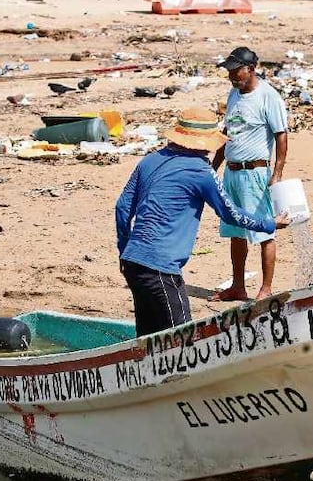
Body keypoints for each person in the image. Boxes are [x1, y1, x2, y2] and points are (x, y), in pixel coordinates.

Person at [116, 107, 291, 337]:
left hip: (132, 262)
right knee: (183, 340)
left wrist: (124, 249)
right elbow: (231, 214)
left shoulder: (149, 161)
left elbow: (122, 208)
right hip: (161, 268)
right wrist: (269, 223)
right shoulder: (200, 171)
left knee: (147, 337)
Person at [209, 46, 289, 302]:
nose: (232, 77)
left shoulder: (269, 97)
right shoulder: (234, 94)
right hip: (232, 173)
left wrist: (276, 173)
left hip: (255, 173)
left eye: (236, 71)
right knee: (235, 230)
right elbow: (227, 133)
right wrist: (213, 167)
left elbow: (281, 136)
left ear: (251, 69)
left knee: (265, 230)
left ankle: (265, 288)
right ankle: (238, 286)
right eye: (230, 72)